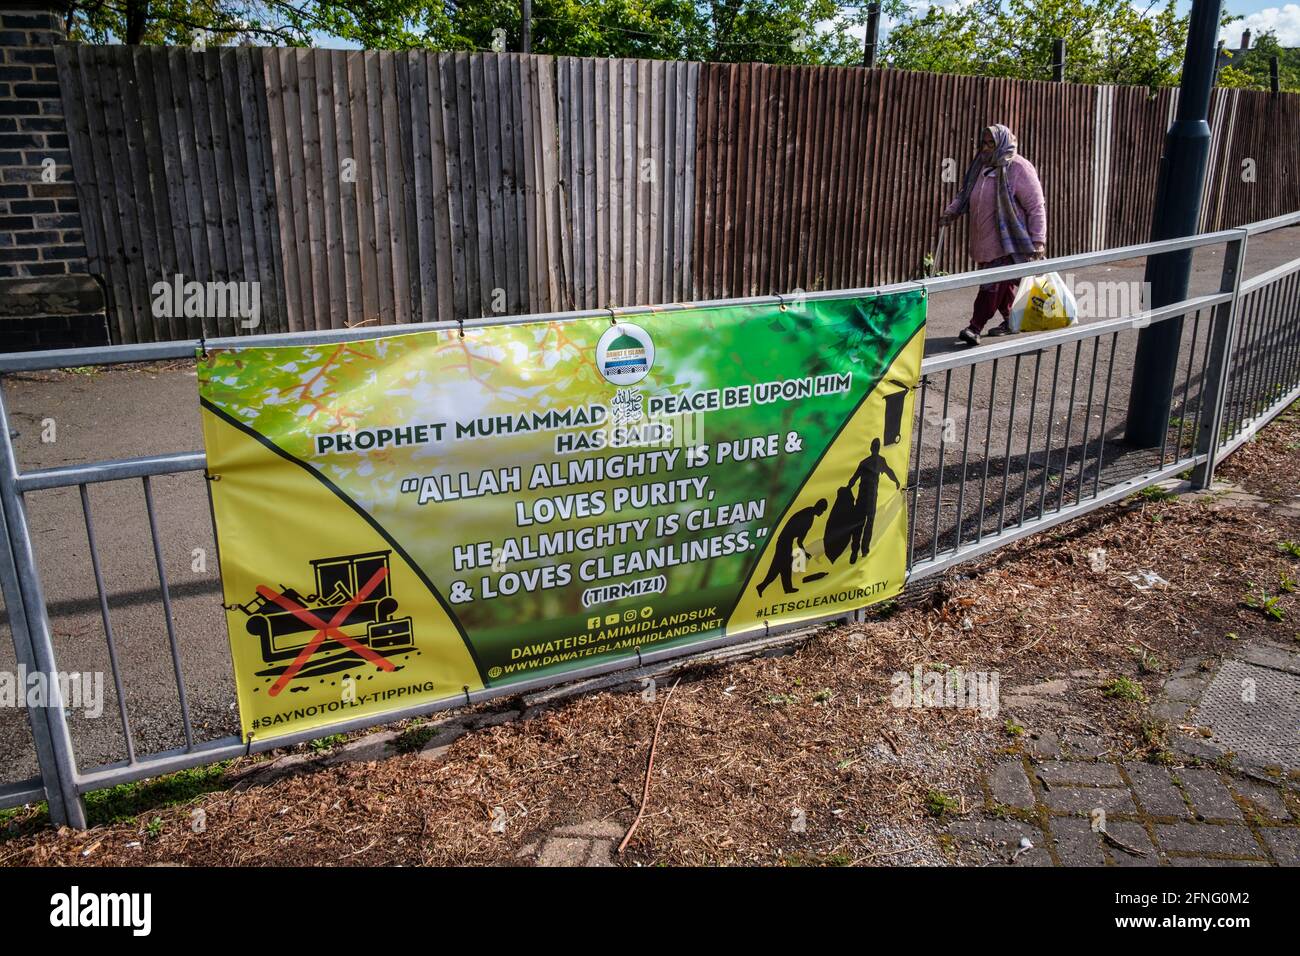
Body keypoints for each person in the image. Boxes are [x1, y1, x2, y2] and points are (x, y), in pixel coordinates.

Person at [940, 124, 1047, 347]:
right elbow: (966, 192)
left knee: (992, 283)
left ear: (1003, 143)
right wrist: (952, 212)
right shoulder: (981, 164)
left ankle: (974, 327)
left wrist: (1038, 239)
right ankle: (1011, 319)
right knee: (1003, 284)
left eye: (991, 143)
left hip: (1008, 239)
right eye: (984, 143)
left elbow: (1036, 205)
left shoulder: (1019, 167)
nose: (986, 148)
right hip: (984, 238)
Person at [756, 499, 827, 597]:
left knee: (782, 567)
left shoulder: (809, 514)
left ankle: (780, 588)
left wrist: (804, 552)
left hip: (786, 542)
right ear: (819, 507)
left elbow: (799, 539)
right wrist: (804, 552)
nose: (822, 513)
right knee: (778, 567)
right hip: (784, 542)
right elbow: (799, 539)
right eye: (822, 510)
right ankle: (765, 586)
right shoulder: (807, 516)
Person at [845, 438, 901, 563]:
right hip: (870, 498)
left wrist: (848, 488)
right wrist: (896, 481)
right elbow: (889, 472)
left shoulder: (865, 462)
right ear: (877, 448)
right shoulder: (879, 461)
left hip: (864, 497)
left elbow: (853, 479)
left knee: (860, 524)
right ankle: (863, 550)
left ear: (871, 448)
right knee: (867, 524)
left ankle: (858, 550)